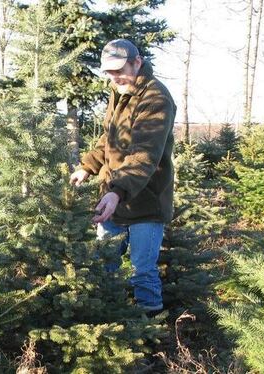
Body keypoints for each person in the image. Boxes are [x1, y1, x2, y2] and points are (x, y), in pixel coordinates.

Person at [69, 39, 176, 313]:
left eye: (120, 70)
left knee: (143, 270)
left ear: (137, 62)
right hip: (113, 198)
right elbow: (110, 139)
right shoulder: (120, 92)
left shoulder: (156, 99)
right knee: (105, 262)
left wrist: (117, 191)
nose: (114, 77)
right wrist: (88, 166)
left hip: (145, 201)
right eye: (109, 72)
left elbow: (144, 154)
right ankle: (107, 317)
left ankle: (149, 325)